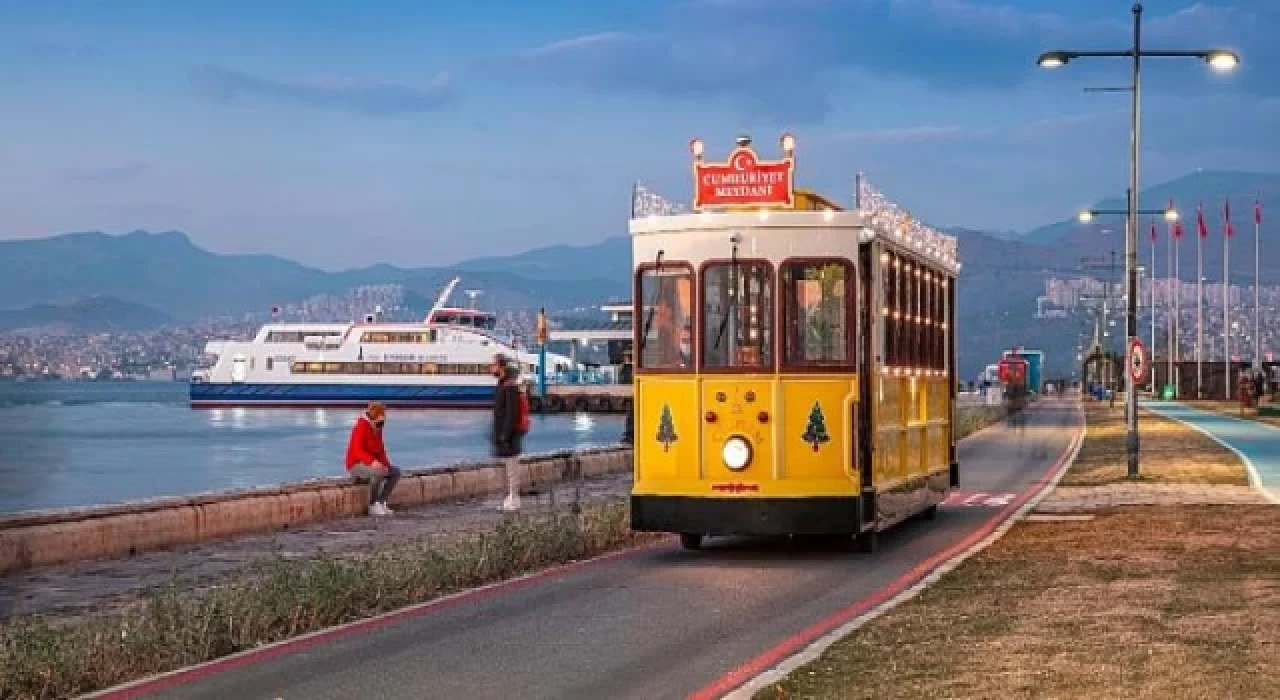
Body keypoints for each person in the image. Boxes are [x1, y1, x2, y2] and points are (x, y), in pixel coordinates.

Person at [345, 401, 401, 516]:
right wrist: (372, 462)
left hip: (373, 464)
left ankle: (382, 502)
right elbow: (357, 450)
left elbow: (380, 449)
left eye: (382, 422)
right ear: (371, 418)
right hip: (356, 465)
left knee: (395, 472)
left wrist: (386, 465)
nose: (380, 425)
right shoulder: (360, 427)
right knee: (378, 472)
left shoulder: (378, 428)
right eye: (378, 422)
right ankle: (373, 505)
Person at [491, 353, 530, 512]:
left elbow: (511, 413)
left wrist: (505, 435)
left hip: (509, 435)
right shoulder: (504, 384)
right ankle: (511, 497)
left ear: (502, 367)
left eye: (494, 364)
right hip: (505, 434)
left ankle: (514, 499)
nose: (491, 367)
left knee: (512, 468)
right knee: (509, 467)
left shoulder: (510, 386)